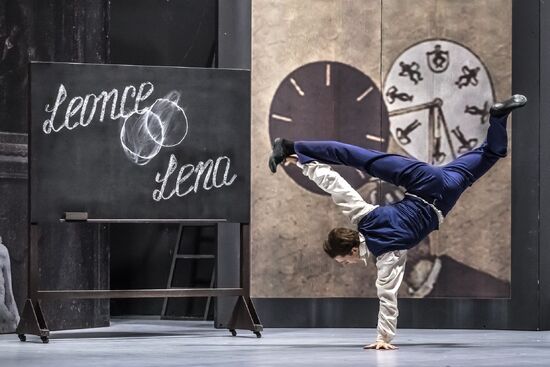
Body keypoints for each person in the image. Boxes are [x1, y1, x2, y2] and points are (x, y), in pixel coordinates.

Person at [268, 95, 527, 350]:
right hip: (430, 180)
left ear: (353, 250)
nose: (347, 264)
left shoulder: (386, 255)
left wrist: (384, 339)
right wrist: (305, 165)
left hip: (444, 194)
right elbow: (336, 185)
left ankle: (291, 148)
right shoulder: (363, 217)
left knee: (490, 155)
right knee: (360, 157)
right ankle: (498, 116)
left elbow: (388, 296)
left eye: (344, 260)